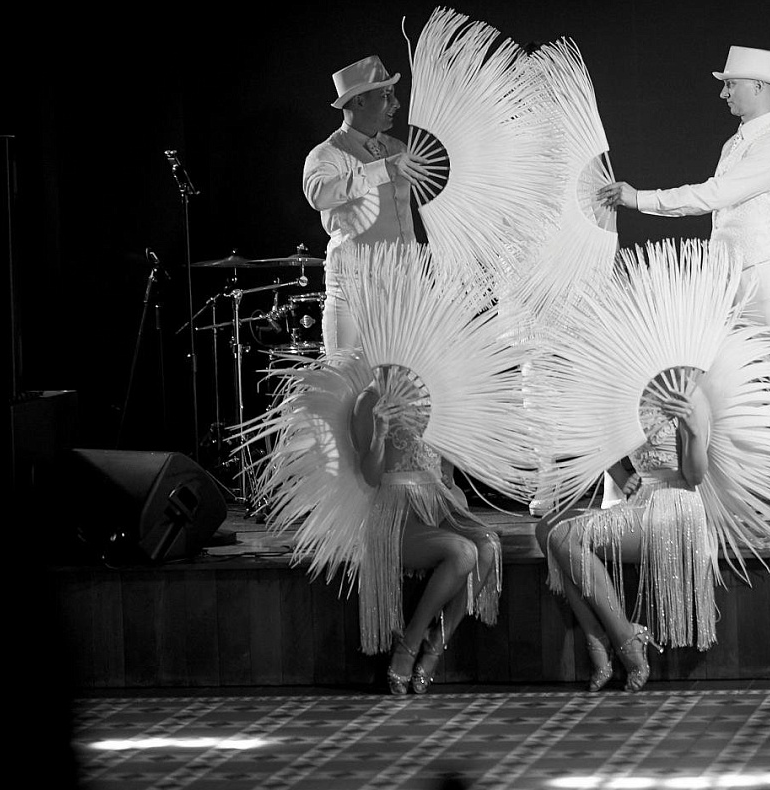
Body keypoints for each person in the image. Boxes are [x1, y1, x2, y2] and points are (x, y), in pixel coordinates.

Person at [596, 45, 770, 534]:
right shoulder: (736, 144)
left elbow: (714, 196)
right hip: (730, 279)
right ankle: (731, 495)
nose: (724, 92)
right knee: (720, 386)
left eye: (731, 84)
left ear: (759, 87)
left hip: (767, 277)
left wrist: (639, 198)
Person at [535, 386, 714, 692]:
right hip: (641, 501)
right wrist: (620, 475)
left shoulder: (688, 393)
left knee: (564, 535)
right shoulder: (629, 387)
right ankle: (596, 633)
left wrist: (694, 431)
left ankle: (623, 639)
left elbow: (695, 477)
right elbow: (600, 439)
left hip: (675, 507)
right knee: (547, 528)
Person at [349, 364, 501, 695]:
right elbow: (370, 477)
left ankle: (436, 644)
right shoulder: (370, 399)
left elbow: (446, 465)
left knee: (488, 545)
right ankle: (410, 642)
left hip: (437, 502)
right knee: (463, 553)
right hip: (397, 511)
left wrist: (447, 472)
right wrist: (378, 433)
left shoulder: (432, 389)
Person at [302, 55, 418, 355]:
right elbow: (319, 195)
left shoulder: (397, 148)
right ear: (359, 101)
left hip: (402, 289)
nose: (396, 104)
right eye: (386, 95)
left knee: (399, 379)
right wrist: (383, 169)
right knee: (348, 378)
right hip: (352, 290)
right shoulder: (327, 154)